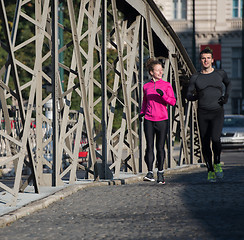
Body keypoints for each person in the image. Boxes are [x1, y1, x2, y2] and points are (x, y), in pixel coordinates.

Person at [186, 48, 231, 182]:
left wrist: (226, 97)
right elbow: (188, 94)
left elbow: (228, 84)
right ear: (200, 60)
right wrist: (194, 97)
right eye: (203, 58)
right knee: (205, 142)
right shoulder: (196, 77)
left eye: (208, 58)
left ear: (212, 60)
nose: (206, 60)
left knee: (216, 139)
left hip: (217, 111)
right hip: (203, 113)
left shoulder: (220, 74)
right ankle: (210, 169)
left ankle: (217, 162)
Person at [140, 58, 176, 184]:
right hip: (149, 119)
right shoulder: (146, 86)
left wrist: (163, 95)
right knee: (149, 147)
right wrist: (142, 112)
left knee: (160, 147)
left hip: (162, 120)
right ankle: (150, 172)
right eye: (158, 70)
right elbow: (145, 101)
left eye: (161, 70)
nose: (161, 72)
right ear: (151, 72)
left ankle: (160, 173)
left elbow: (172, 102)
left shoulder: (166, 85)